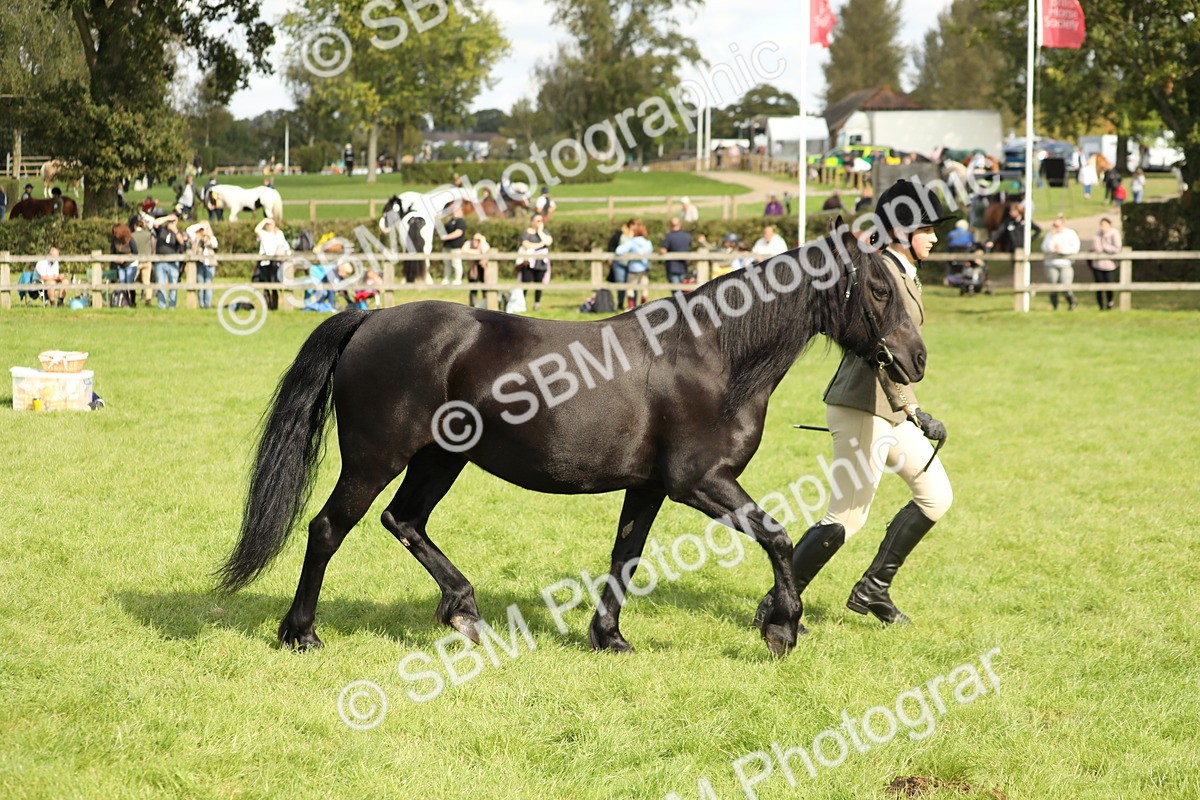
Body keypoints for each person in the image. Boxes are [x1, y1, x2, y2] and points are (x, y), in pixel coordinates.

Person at [789, 178, 953, 635]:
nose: (935, 237)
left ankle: (873, 588)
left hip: (892, 409)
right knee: (846, 517)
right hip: (863, 405)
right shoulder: (881, 275)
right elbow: (877, 356)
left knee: (937, 497)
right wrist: (913, 408)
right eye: (928, 229)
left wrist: (913, 411)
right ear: (902, 231)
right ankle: (779, 602)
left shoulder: (904, 273)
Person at [1040, 213, 1080, 310]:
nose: (1055, 227)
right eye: (1054, 225)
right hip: (1051, 263)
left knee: (1065, 284)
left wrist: (1063, 251)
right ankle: (1055, 306)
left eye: (1057, 225)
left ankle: (1071, 303)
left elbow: (1075, 248)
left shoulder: (1070, 233)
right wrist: (1052, 239)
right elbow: (1045, 247)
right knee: (1053, 285)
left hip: (1065, 263)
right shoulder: (1050, 234)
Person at [517, 215, 552, 310]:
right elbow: (526, 244)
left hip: (540, 262)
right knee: (525, 283)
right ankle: (522, 303)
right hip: (529, 261)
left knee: (539, 283)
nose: (539, 222)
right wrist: (540, 245)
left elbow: (548, 242)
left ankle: (537, 304)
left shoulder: (544, 232)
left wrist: (540, 231)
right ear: (532, 221)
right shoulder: (526, 232)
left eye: (541, 220)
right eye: (537, 220)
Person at [254, 217, 291, 310]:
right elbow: (256, 230)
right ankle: (267, 306)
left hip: (274, 262)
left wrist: (279, 252)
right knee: (265, 285)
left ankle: (275, 306)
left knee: (274, 284)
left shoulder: (278, 234)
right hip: (264, 262)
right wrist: (264, 220)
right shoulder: (263, 234)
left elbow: (284, 246)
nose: (268, 226)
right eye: (267, 224)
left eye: (270, 224)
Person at [152, 214, 187, 309]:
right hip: (160, 261)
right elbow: (155, 223)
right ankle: (161, 305)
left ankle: (172, 306)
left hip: (173, 262)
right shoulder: (161, 230)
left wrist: (174, 229)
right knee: (160, 284)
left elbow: (181, 241)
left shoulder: (178, 232)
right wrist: (167, 218)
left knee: (173, 285)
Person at [614, 222, 652, 305]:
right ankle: (643, 305)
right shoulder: (648, 243)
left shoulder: (633, 242)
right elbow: (650, 252)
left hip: (633, 269)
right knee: (644, 288)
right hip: (644, 268)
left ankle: (631, 307)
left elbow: (619, 251)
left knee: (630, 289)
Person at [186, 221, 219, 309]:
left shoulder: (211, 238)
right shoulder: (196, 238)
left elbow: (215, 244)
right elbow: (189, 230)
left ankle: (207, 305)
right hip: (200, 263)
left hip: (210, 264)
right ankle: (201, 304)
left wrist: (208, 235)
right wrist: (200, 226)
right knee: (200, 285)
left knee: (208, 285)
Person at [1091, 217, 1122, 310]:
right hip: (1098, 265)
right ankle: (1100, 306)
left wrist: (1104, 247)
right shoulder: (1097, 234)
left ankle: (1110, 303)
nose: (1102, 227)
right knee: (1099, 286)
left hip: (1110, 265)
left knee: (1109, 285)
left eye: (1104, 224)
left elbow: (1117, 248)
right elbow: (1096, 248)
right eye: (1101, 224)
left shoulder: (1114, 233)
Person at [607, 218, 636, 310]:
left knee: (633, 285)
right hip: (620, 263)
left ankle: (633, 305)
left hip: (632, 264)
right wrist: (611, 257)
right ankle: (620, 304)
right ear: (631, 225)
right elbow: (611, 244)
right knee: (621, 285)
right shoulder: (620, 234)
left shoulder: (637, 235)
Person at [110, 224, 139, 307]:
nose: (114, 234)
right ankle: (125, 302)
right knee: (122, 283)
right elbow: (113, 252)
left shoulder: (130, 240)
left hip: (131, 263)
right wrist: (115, 260)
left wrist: (125, 258)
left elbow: (135, 252)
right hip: (120, 265)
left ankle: (133, 302)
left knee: (129, 283)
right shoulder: (114, 240)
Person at [130, 214, 156, 306]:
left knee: (131, 281)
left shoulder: (132, 235)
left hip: (136, 261)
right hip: (147, 260)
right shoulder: (148, 234)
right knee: (147, 281)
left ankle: (130, 299)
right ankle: (148, 299)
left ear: (135, 226)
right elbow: (152, 246)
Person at [461, 232, 491, 308]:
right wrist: (477, 252)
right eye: (474, 239)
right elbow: (463, 250)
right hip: (473, 268)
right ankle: (472, 305)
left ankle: (486, 304)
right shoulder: (468, 243)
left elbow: (484, 251)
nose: (475, 241)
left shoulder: (484, 244)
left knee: (485, 288)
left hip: (483, 267)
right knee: (473, 288)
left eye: (477, 240)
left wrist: (482, 242)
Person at [659, 217, 692, 284]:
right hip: (684, 266)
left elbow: (663, 250)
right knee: (683, 289)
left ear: (670, 225)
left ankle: (679, 295)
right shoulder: (687, 236)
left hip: (672, 267)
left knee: (676, 290)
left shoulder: (669, 236)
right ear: (680, 224)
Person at [440, 206, 467, 284]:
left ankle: (458, 279)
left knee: (456, 263)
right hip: (447, 246)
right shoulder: (450, 221)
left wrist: (447, 237)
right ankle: (446, 278)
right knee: (447, 263)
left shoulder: (460, 221)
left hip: (455, 246)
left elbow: (458, 232)